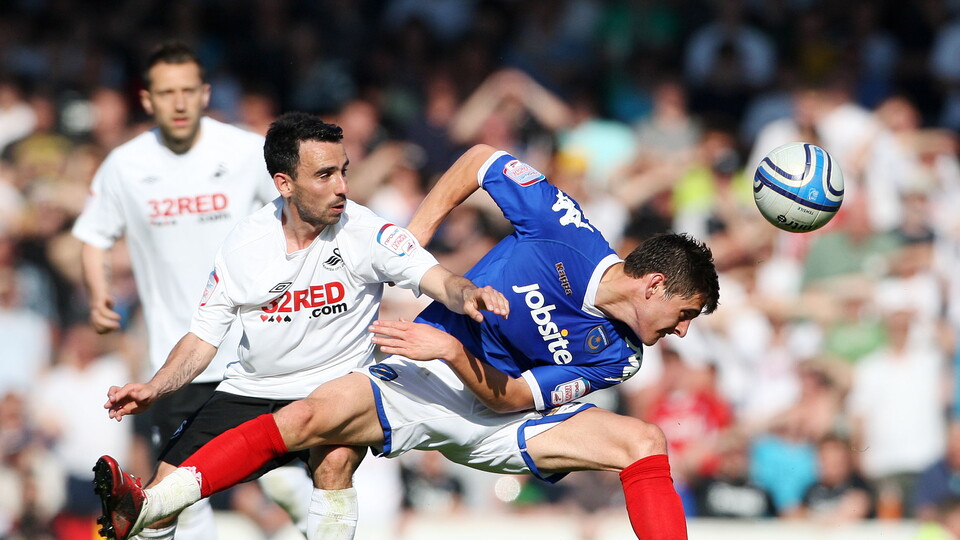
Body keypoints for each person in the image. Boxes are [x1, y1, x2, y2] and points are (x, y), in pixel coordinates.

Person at [94, 143, 720, 540]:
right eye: (684, 313)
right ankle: (147, 510)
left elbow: (511, 401)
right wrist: (408, 247)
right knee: (317, 428)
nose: (683, 331)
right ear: (654, 285)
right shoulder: (566, 232)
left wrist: (454, 350)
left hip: (502, 414)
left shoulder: (623, 354)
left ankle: (144, 512)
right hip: (424, 380)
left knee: (644, 441)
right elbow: (478, 161)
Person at [95, 113, 507, 540]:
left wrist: (465, 293)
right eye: (324, 175)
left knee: (333, 465)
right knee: (165, 500)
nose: (342, 187)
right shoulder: (245, 244)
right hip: (253, 389)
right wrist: (155, 387)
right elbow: (202, 338)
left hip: (336, 390)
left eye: (343, 172)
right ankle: (158, 505)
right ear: (284, 183)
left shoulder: (366, 232)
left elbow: (436, 277)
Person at [71, 41, 280, 540]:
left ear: (206, 93)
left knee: (298, 466)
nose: (180, 103)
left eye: (189, 90)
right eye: (167, 93)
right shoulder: (125, 164)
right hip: (176, 360)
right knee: (181, 491)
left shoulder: (245, 149)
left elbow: (293, 218)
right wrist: (100, 294)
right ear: (147, 100)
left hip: (257, 348)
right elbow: (92, 237)